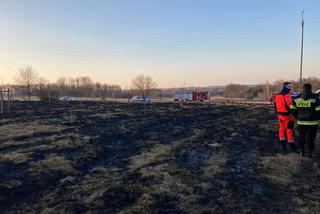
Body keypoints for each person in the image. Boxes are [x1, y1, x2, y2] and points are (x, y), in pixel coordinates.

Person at [290, 83, 320, 157]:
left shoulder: (296, 99)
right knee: (311, 138)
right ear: (310, 88)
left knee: (301, 137)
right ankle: (310, 153)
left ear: (303, 89)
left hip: (301, 122)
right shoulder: (315, 99)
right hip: (312, 123)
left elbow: (292, 109)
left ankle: (301, 152)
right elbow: (319, 110)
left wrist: (297, 117)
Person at [274, 82, 297, 152]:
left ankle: (283, 146)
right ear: (286, 87)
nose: (290, 88)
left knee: (281, 129)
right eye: (289, 86)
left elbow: (275, 105)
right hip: (288, 116)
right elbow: (290, 106)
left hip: (280, 116)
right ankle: (292, 147)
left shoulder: (277, 96)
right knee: (290, 130)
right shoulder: (287, 95)